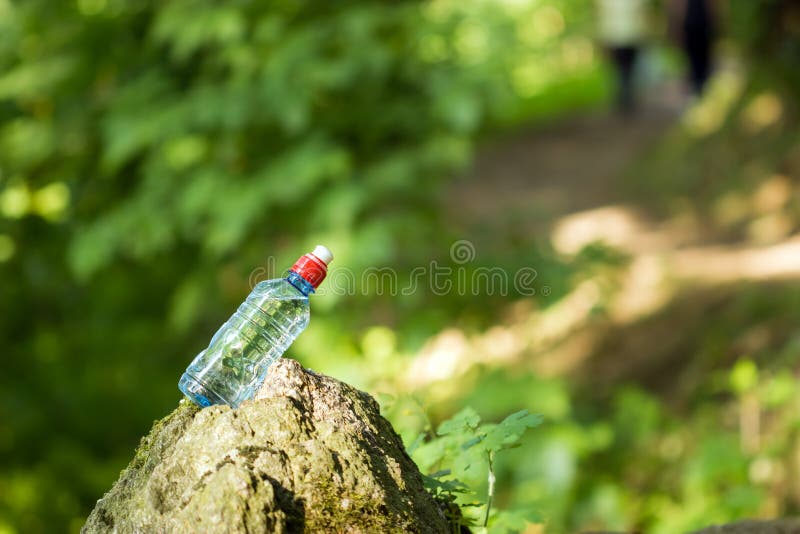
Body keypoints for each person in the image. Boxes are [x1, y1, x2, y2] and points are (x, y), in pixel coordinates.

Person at [596, 0, 649, 114]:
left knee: (622, 70)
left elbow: (601, 15)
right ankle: (625, 98)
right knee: (625, 70)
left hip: (618, 37)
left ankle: (624, 98)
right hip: (628, 36)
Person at [668, 0, 718, 96]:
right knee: (694, 62)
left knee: (702, 62)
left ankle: (700, 89)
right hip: (692, 23)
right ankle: (697, 89)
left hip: (702, 23)